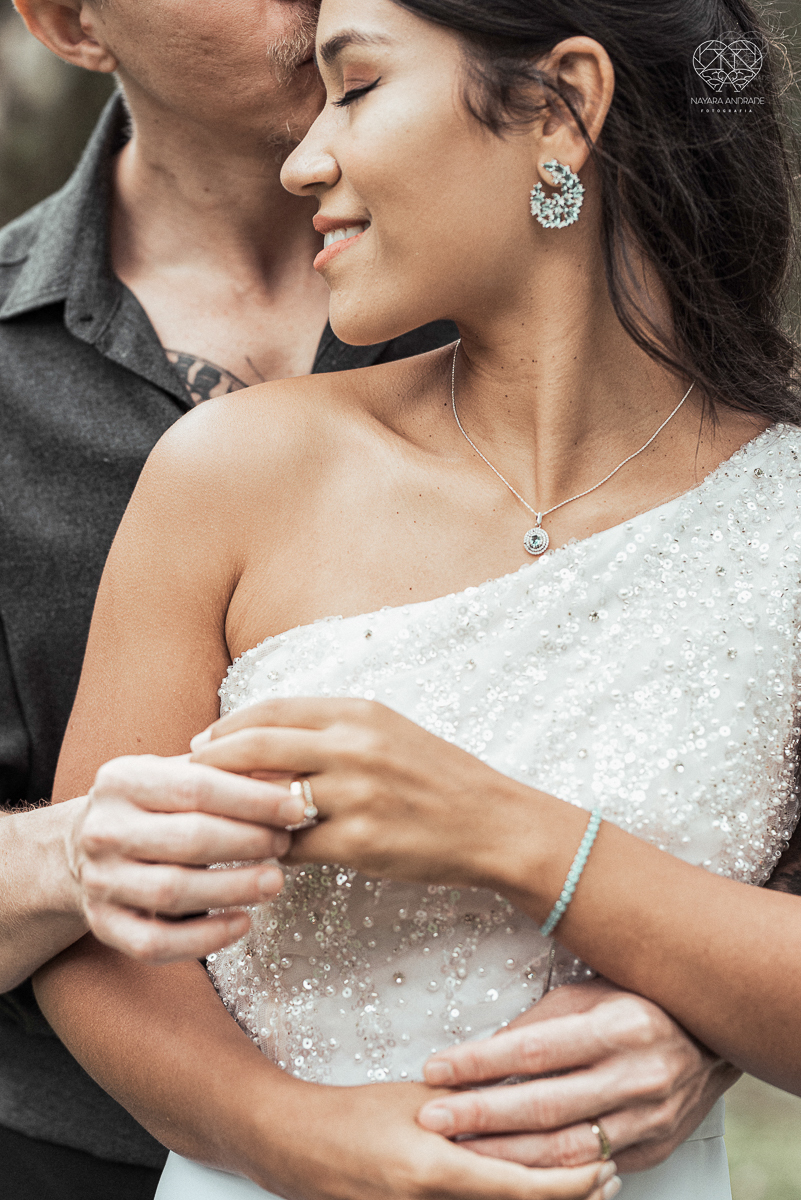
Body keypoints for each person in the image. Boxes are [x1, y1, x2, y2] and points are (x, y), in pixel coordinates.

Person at [29, 0, 801, 1197]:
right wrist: (302, 1142)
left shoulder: (781, 513)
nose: (304, 158)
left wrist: (516, 840)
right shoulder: (232, 469)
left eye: (357, 87)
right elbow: (94, 930)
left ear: (559, 108)